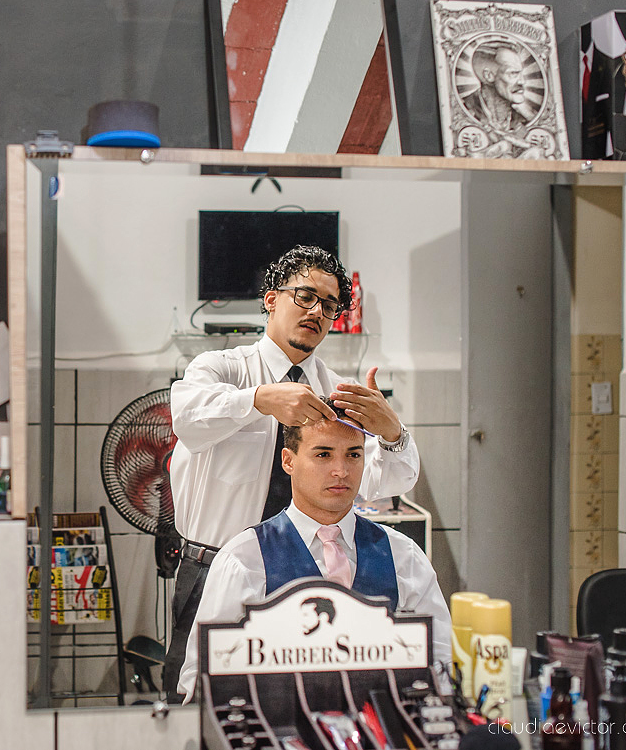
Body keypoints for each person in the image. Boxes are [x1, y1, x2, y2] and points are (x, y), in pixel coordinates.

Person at [163, 245, 419, 697]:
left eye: (330, 305)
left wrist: (392, 431)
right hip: (212, 567)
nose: (317, 311)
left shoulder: (335, 391)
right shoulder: (222, 369)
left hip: (307, 571)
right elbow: (187, 419)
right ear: (271, 299)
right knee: (196, 701)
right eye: (305, 296)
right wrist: (260, 399)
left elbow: (388, 479)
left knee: (297, 701)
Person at [177, 411, 451, 701]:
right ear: (288, 461)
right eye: (323, 455)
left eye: (353, 455)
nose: (341, 471)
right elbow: (202, 676)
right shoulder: (244, 560)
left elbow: (440, 664)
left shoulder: (404, 557)